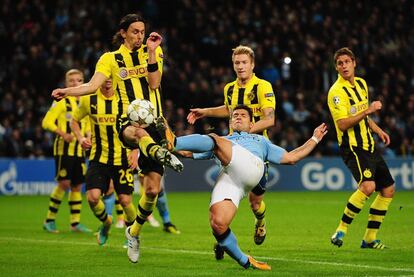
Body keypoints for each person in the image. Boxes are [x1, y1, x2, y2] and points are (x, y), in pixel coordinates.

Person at [51, 14, 182, 262]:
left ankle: (133, 232)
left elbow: (154, 83)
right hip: (128, 122)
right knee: (138, 132)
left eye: (142, 31)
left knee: (152, 191)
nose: (140, 36)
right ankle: (160, 152)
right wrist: (65, 91)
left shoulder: (153, 50)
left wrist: (152, 51)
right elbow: (91, 86)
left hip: (155, 121)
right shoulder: (109, 59)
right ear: (123, 32)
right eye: (134, 31)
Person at [138, 105, 327, 270]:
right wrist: (156, 147)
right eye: (234, 115)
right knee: (218, 224)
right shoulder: (220, 143)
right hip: (232, 179)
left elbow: (291, 158)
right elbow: (188, 152)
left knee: (213, 139)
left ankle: (174, 139)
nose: (237, 117)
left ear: (252, 125)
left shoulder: (260, 141)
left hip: (252, 166)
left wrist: (315, 139)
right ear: (230, 122)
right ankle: (246, 261)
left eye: (243, 115)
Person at [187, 45, 276, 250]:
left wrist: (248, 131)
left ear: (252, 65)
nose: (240, 66)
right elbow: (228, 110)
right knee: (228, 193)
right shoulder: (230, 88)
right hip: (233, 152)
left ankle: (260, 221)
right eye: (237, 63)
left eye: (244, 62)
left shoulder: (263, 87)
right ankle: (223, 235)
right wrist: (206, 111)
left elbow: (269, 118)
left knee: (255, 203)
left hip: (256, 152)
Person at [327, 47, 395, 249]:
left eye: (347, 61)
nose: (344, 66)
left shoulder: (362, 84)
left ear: (354, 63)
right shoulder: (336, 92)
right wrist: (369, 109)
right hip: (352, 147)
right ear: (336, 67)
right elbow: (342, 124)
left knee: (388, 190)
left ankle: (370, 238)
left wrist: (378, 129)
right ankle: (341, 229)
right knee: (368, 186)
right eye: (340, 63)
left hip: (369, 144)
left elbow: (364, 117)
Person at [71, 79, 138, 245]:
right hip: (98, 158)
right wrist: (80, 138)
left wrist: (135, 151)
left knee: (125, 201)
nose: (108, 79)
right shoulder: (89, 99)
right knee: (93, 198)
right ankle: (106, 222)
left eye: (110, 75)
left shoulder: (125, 100)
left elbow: (138, 126)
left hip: (122, 157)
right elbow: (74, 120)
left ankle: (132, 235)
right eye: (104, 75)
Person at [41, 69, 91, 233]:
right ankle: (49, 220)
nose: (75, 83)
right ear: (66, 84)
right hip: (64, 149)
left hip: (79, 150)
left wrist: (89, 136)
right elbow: (46, 122)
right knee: (64, 183)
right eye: (71, 81)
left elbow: (89, 124)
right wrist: (63, 134)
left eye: (79, 80)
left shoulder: (85, 101)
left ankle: (75, 223)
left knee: (77, 185)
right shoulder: (62, 101)